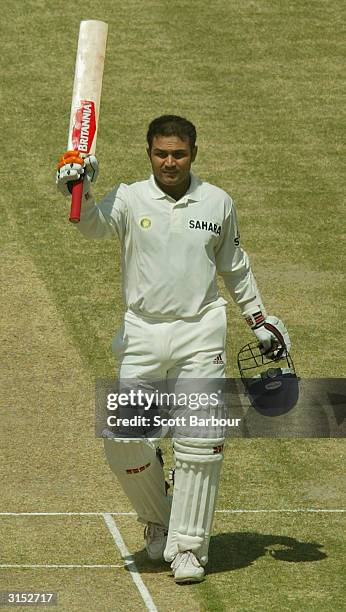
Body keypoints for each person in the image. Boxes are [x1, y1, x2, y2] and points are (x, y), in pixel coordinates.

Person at [56, 115, 291, 583]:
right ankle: (159, 519)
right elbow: (92, 226)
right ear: (149, 153)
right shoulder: (128, 197)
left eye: (178, 154)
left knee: (200, 442)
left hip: (201, 332)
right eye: (161, 153)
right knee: (124, 438)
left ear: (193, 154)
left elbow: (236, 267)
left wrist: (259, 321)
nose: (169, 162)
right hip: (142, 333)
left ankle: (188, 548)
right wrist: (74, 188)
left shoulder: (217, 202)